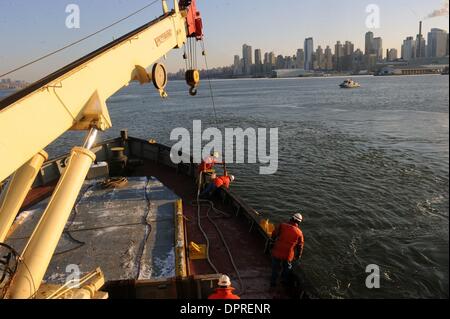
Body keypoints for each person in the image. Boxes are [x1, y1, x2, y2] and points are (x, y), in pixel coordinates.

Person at [270, 213, 304, 287]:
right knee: (287, 268)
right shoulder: (299, 233)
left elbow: (274, 234)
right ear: (298, 222)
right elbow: (300, 246)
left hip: (277, 251)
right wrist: (298, 255)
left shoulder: (282, 225)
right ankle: (283, 281)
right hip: (288, 255)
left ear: (292, 218)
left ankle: (273, 282)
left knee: (275, 268)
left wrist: (272, 242)